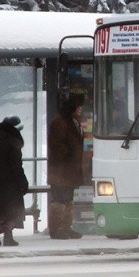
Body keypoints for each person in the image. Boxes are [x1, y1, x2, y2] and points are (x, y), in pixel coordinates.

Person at [0, 115, 28, 247]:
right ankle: (0, 232)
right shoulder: (13, 144)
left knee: (3, 211)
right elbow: (16, 167)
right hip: (11, 185)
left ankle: (4, 234)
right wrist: (23, 183)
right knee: (14, 211)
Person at [47, 93, 85, 239]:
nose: (80, 110)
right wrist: (68, 154)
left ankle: (65, 227)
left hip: (69, 170)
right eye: (78, 107)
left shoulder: (73, 121)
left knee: (68, 199)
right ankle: (55, 229)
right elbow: (55, 144)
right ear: (72, 108)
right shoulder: (61, 122)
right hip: (61, 170)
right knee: (59, 199)